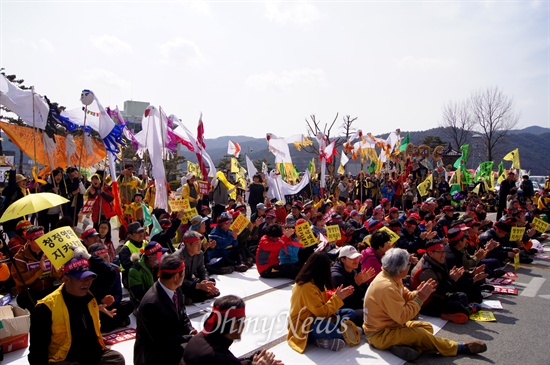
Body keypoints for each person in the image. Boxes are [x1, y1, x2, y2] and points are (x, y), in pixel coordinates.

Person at [363, 247, 487, 361]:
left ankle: (412, 348)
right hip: (380, 334)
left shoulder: (392, 276)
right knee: (421, 334)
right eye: (408, 264)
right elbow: (402, 317)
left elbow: (405, 295)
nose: (409, 266)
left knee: (426, 328)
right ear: (400, 269)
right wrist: (420, 299)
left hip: (392, 326)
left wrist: (419, 293)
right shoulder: (387, 287)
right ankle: (458, 347)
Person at [28, 257, 125, 365]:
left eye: (90, 277)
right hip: (65, 360)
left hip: (91, 355)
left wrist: (89, 257)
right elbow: (36, 354)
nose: (87, 282)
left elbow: (110, 273)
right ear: (66, 279)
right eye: (81, 278)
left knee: (116, 359)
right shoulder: (45, 308)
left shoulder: (91, 293)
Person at [287, 251, 360, 353]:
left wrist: (337, 296)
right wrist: (337, 298)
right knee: (328, 327)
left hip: (320, 317)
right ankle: (323, 339)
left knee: (350, 312)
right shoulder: (306, 287)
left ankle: (338, 333)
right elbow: (321, 312)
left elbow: (324, 303)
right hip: (305, 323)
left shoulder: (316, 281)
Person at [184, 295, 284, 365]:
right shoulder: (217, 357)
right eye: (243, 320)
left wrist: (251, 359)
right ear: (234, 325)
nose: (244, 325)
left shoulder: (199, 338)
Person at [134, 254, 196, 365]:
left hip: (173, 343)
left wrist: (190, 330)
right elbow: (161, 340)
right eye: (183, 272)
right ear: (176, 277)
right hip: (156, 354)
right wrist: (190, 338)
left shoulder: (176, 289)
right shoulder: (152, 304)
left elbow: (183, 315)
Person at [11, 226, 63, 310]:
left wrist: (58, 271)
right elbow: (20, 281)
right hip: (31, 292)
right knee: (24, 298)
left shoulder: (51, 251)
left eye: (44, 238)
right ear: (29, 241)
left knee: (66, 288)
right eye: (38, 239)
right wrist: (40, 268)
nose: (42, 241)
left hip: (48, 288)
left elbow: (58, 276)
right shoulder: (20, 257)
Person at [331, 246, 375, 325]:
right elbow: (347, 302)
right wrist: (357, 284)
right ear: (343, 259)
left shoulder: (353, 271)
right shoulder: (336, 276)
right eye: (352, 258)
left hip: (354, 305)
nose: (356, 260)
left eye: (357, 257)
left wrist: (363, 283)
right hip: (342, 311)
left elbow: (361, 295)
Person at [175, 231, 219, 304]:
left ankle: (195, 296)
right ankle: (186, 298)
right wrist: (198, 286)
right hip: (180, 283)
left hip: (191, 280)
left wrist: (205, 281)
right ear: (188, 245)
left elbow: (202, 270)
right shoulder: (178, 257)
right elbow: (177, 280)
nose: (200, 246)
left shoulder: (199, 254)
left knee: (212, 282)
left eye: (200, 243)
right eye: (197, 244)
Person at [119, 221, 148, 287]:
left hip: (144, 273)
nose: (141, 234)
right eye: (137, 232)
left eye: (142, 231)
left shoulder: (146, 243)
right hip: (129, 277)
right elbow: (127, 265)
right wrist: (140, 256)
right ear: (130, 235)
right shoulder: (125, 249)